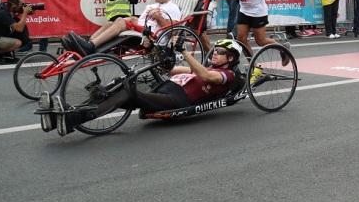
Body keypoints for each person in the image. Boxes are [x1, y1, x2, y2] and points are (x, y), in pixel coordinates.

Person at [46, 38, 241, 132]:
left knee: (131, 94)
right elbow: (171, 70)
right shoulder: (200, 69)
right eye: (214, 50)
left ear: (230, 58)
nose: (215, 53)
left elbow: (205, 75)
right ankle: (57, 119)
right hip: (165, 89)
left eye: (220, 52)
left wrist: (186, 52)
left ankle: (74, 119)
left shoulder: (226, 75)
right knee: (121, 84)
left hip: (176, 100)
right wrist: (154, 50)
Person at [68, 0, 181, 55]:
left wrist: (157, 17)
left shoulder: (173, 8)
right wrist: (131, 19)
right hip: (144, 29)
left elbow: (173, 32)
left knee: (122, 22)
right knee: (114, 21)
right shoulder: (153, 5)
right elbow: (140, 21)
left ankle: (91, 46)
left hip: (154, 36)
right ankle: (88, 42)